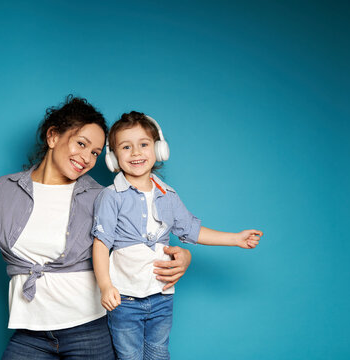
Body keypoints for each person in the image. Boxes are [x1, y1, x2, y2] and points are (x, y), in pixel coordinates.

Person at [0, 96, 193, 360]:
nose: (87, 158)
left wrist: (184, 256)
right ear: (53, 137)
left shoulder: (102, 196)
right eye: (81, 144)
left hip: (89, 330)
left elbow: (143, 237)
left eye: (95, 153)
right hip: (31, 332)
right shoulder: (6, 188)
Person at [92, 111, 264, 360]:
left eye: (144, 145)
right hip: (125, 298)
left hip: (162, 296)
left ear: (159, 149)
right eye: (126, 147)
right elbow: (100, 244)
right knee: (129, 356)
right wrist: (105, 285)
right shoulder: (110, 196)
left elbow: (192, 230)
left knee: (159, 353)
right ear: (113, 157)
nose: (136, 153)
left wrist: (234, 239)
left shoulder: (168, 195)